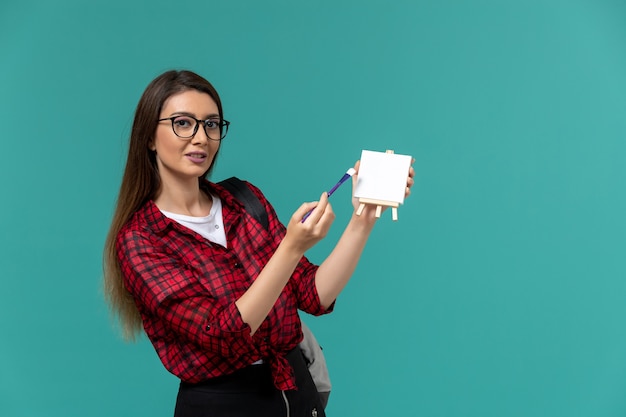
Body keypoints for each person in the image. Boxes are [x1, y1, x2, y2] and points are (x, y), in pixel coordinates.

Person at [103, 69, 415, 417]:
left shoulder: (245, 200)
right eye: (183, 123)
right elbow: (224, 333)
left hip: (296, 393)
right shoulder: (141, 241)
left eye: (211, 124)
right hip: (223, 406)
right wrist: (291, 248)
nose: (201, 138)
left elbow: (313, 293)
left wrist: (364, 217)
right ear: (149, 136)